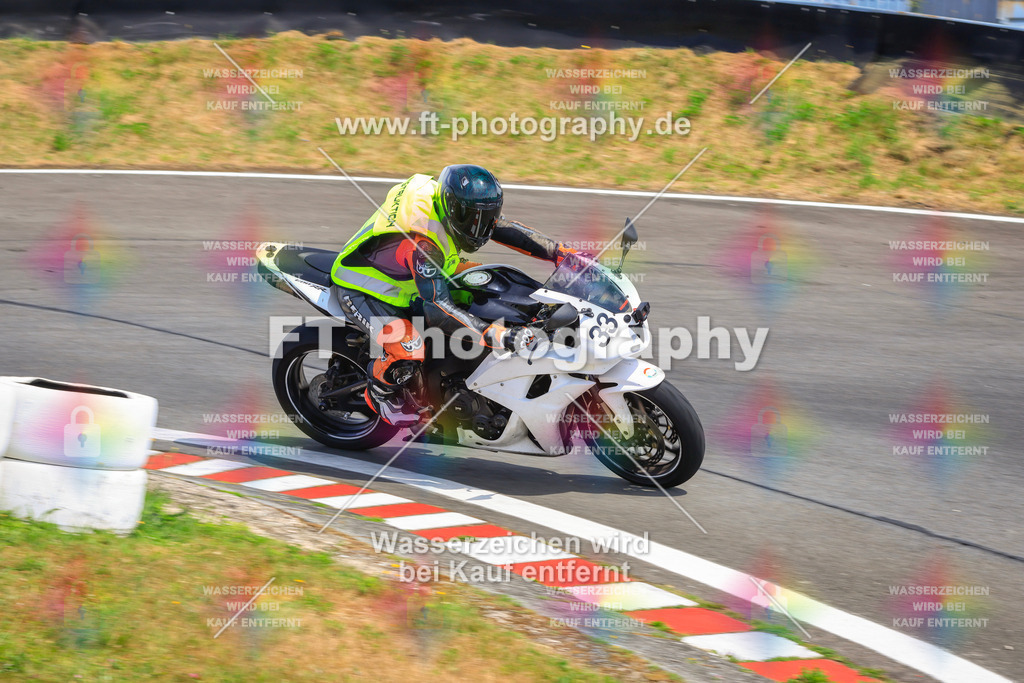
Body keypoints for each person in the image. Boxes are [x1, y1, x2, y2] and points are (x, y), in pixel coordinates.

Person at [331, 164, 580, 427]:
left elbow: (500, 226)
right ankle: (380, 392)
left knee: (497, 281)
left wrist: (560, 252)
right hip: (367, 288)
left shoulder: (449, 204)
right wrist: (497, 334)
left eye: (483, 218)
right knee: (409, 347)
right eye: (471, 219)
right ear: (452, 208)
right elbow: (438, 309)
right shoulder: (424, 241)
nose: (479, 229)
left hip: (410, 272)